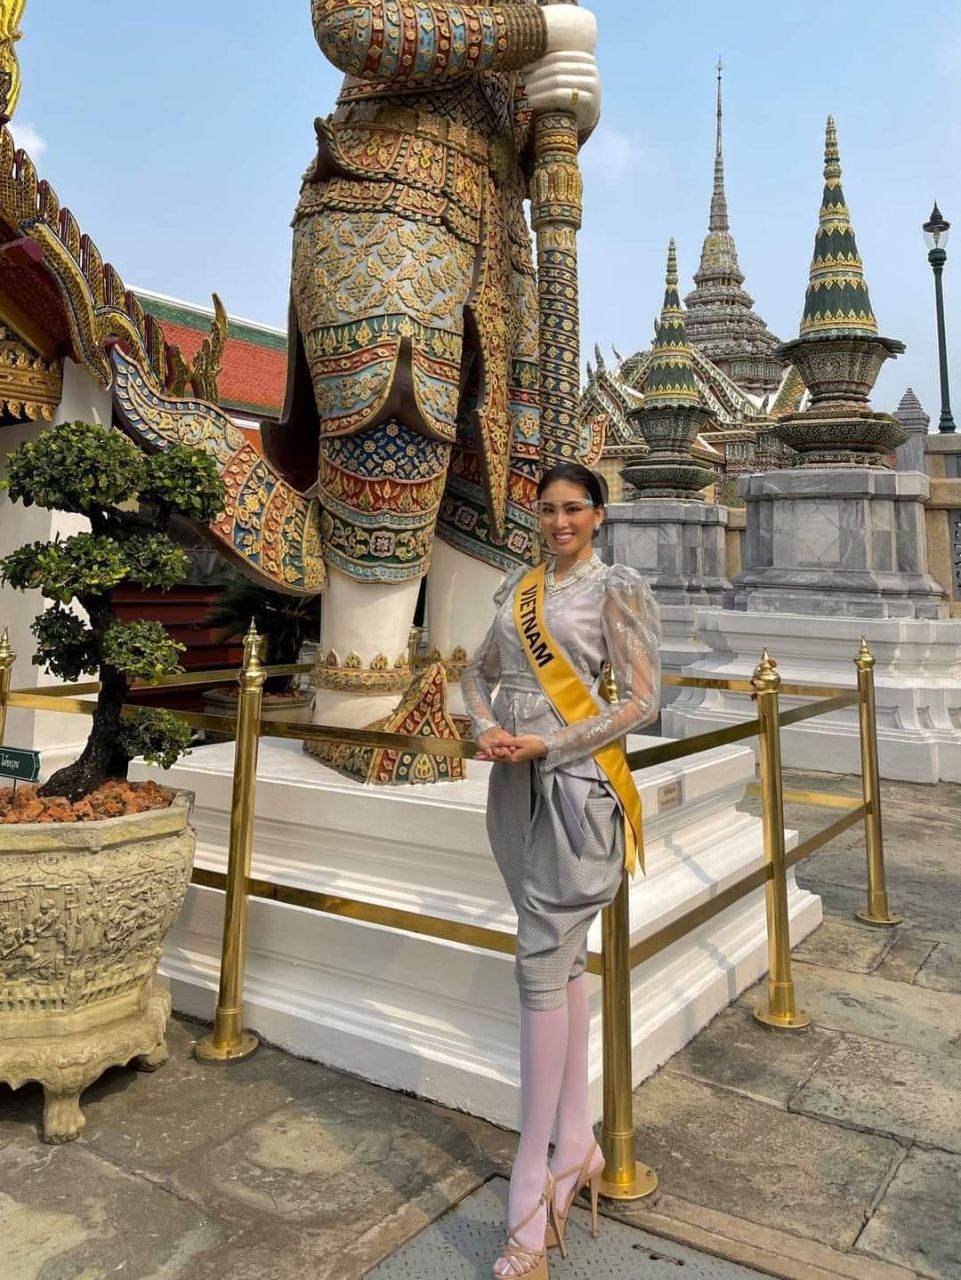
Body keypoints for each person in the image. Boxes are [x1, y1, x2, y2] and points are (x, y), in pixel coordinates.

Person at [462, 462, 661, 1278]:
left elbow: (640, 700)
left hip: (577, 790)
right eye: (546, 510)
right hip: (513, 784)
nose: (557, 522)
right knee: (558, 959)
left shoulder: (616, 588)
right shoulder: (517, 588)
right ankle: (574, 1144)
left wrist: (553, 741)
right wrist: (484, 727)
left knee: (539, 963)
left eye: (572, 508)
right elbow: (476, 672)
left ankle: (529, 1192)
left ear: (598, 514)